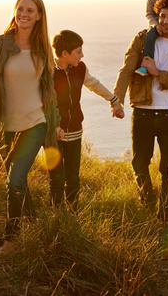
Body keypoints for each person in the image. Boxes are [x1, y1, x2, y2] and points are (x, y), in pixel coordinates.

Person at [0, 0, 65, 253]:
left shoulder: (44, 50)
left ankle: (11, 241)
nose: (23, 14)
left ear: (39, 16)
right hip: (3, 126)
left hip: (35, 123)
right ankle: (34, 229)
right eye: (20, 9)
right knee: (18, 182)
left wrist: (54, 124)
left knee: (14, 181)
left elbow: (50, 92)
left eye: (30, 10)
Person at [113, 0, 168, 227]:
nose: (166, 20)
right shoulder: (142, 40)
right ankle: (148, 204)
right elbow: (126, 70)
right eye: (162, 16)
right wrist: (116, 100)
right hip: (142, 112)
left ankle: (166, 217)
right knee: (139, 164)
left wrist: (157, 73)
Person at [51, 30, 124, 207]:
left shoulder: (80, 68)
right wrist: (54, 126)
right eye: (78, 51)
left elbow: (94, 85)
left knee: (73, 178)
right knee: (57, 178)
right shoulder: (47, 72)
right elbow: (42, 101)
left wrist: (114, 100)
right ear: (64, 54)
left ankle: (73, 215)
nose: (82, 55)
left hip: (75, 129)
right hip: (53, 133)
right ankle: (57, 216)